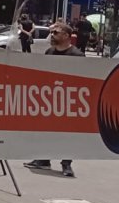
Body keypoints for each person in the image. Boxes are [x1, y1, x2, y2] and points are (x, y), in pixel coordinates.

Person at [25, 23, 83, 178]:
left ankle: (66, 164)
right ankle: (43, 159)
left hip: (69, 101)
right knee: (46, 130)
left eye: (56, 32)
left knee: (68, 134)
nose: (52, 35)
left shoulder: (76, 55)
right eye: (52, 32)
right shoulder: (49, 52)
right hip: (50, 100)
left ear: (66, 35)